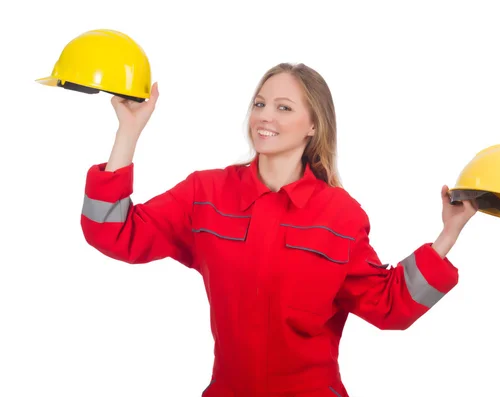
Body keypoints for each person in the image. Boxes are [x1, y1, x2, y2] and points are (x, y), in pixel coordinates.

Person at [80, 62, 478, 397]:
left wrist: (448, 233)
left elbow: (389, 306)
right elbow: (114, 232)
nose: (265, 116)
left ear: (313, 126)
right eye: (259, 104)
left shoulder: (340, 215)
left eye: (284, 107)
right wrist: (128, 132)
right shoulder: (206, 194)